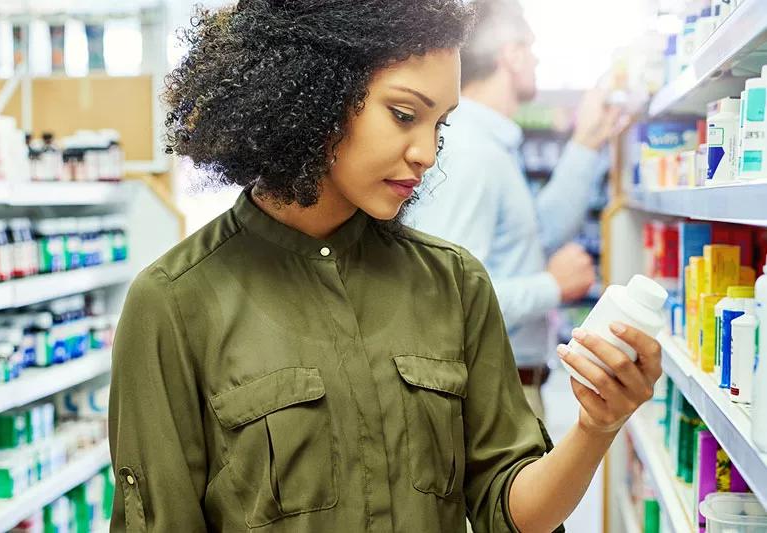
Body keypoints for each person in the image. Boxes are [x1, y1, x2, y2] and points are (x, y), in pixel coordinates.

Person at [108, 1, 661, 532]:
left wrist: (596, 425)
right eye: (404, 115)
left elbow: (505, 508)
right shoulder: (175, 303)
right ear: (313, 93)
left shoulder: (454, 283)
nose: (427, 152)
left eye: (440, 125)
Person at [410, 0, 621, 418]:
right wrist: (551, 287)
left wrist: (586, 144)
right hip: (489, 398)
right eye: (532, 46)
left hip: (503, 388)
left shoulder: (489, 143)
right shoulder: (471, 152)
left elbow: (533, 234)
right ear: (512, 53)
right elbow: (444, 301)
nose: (537, 59)